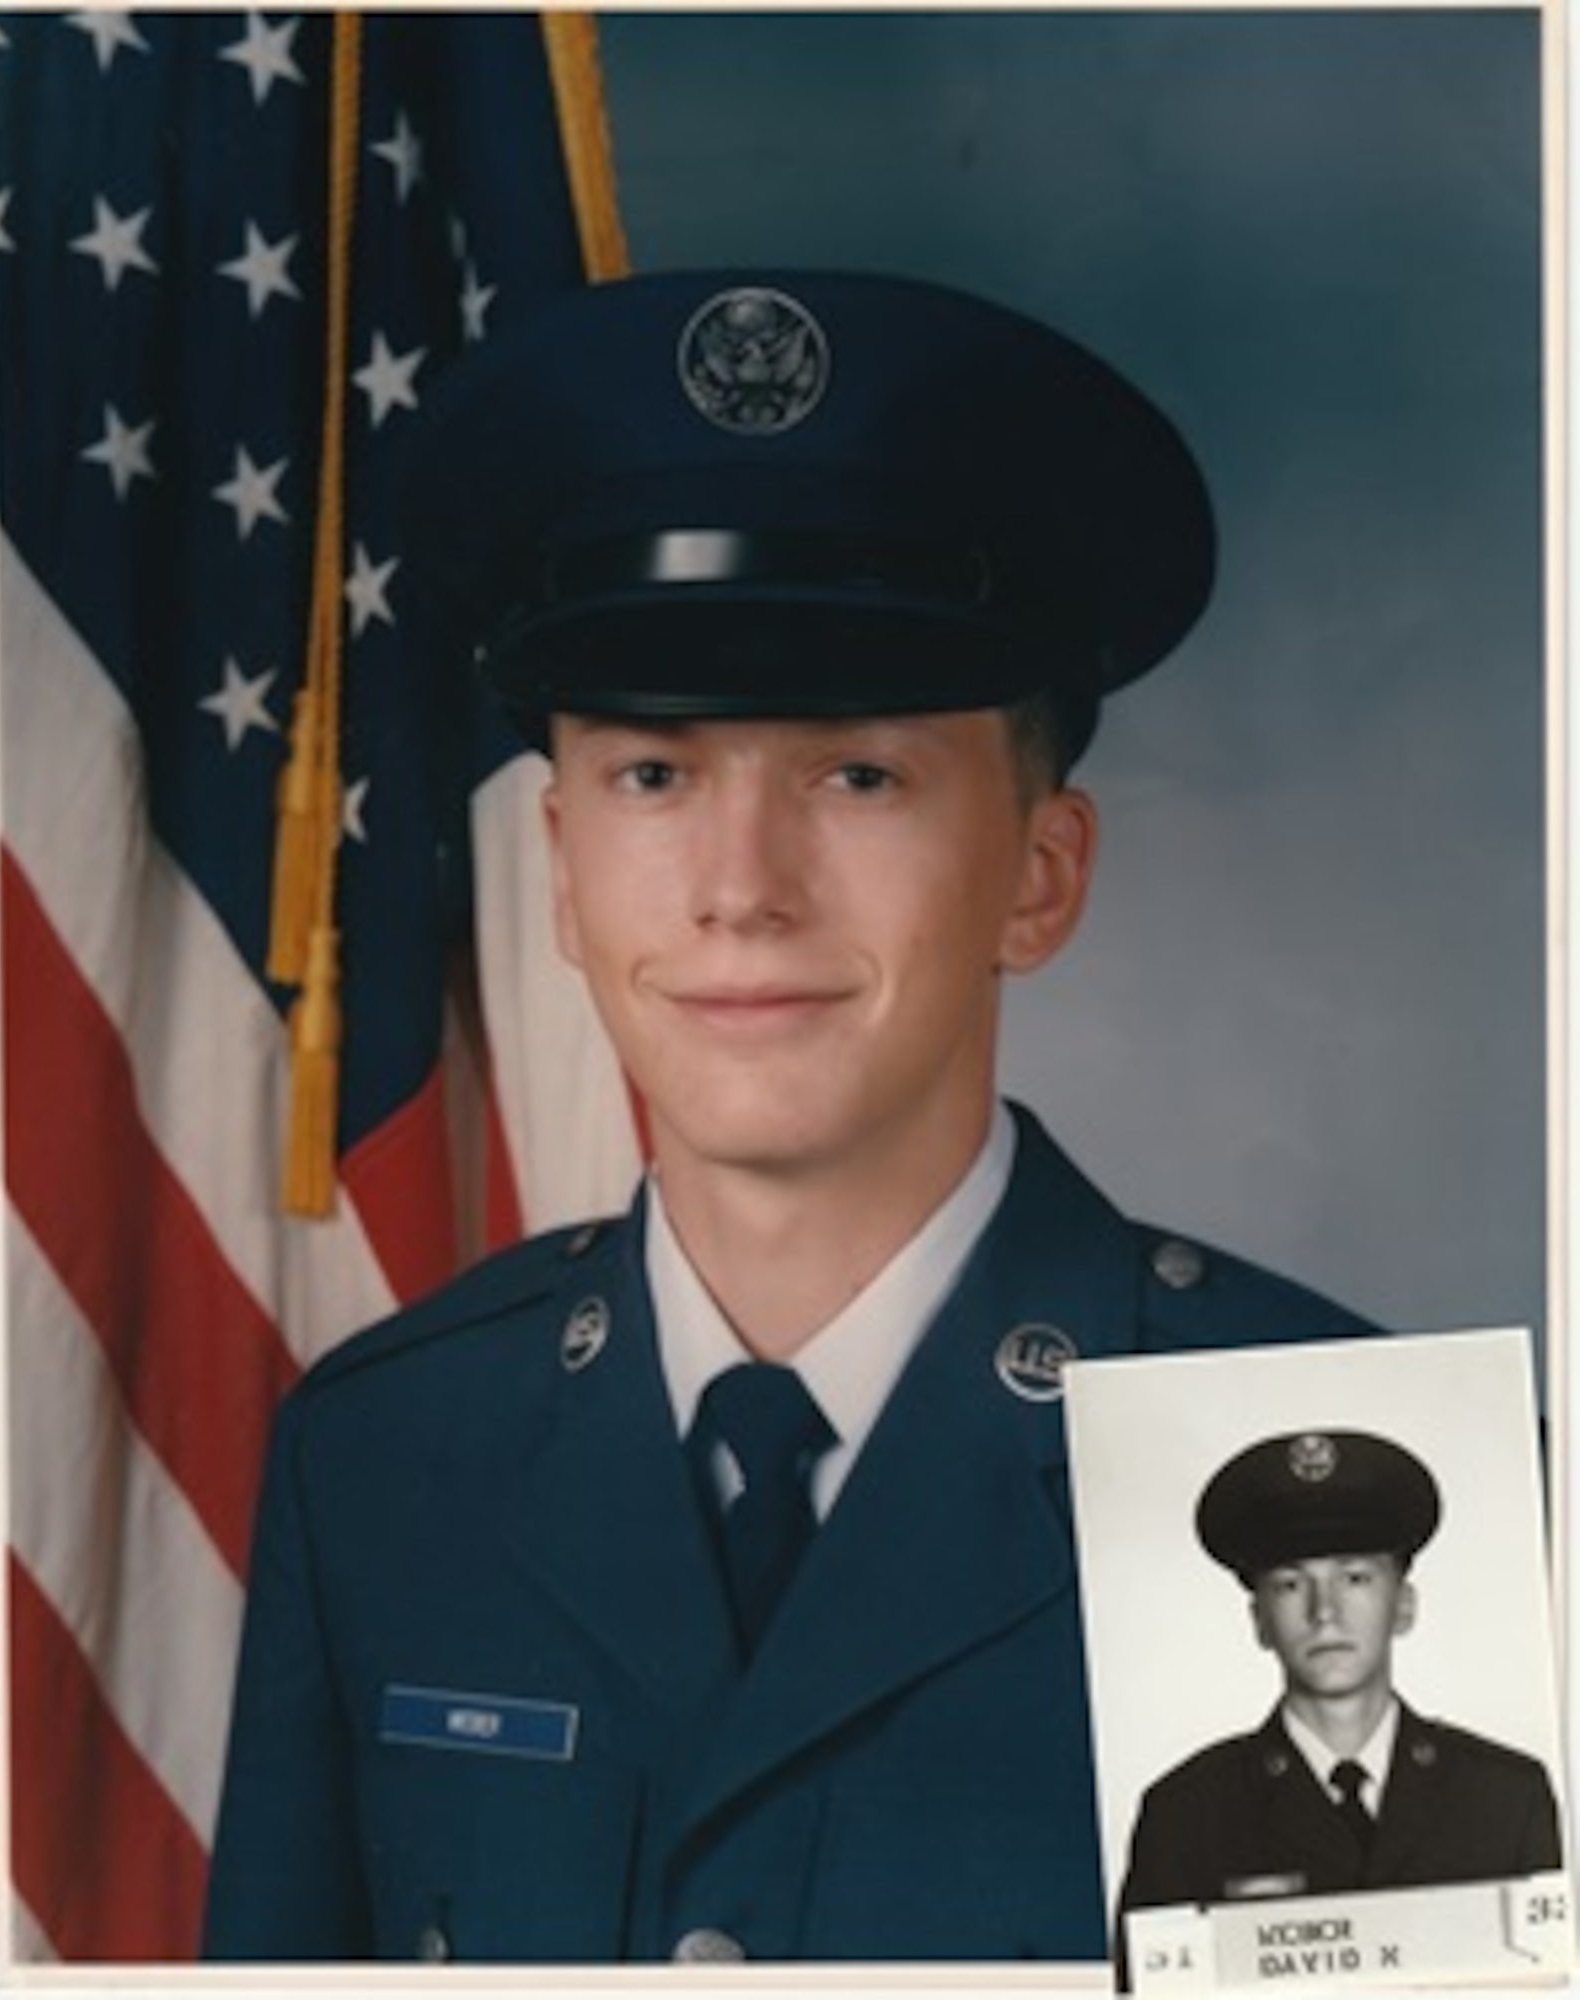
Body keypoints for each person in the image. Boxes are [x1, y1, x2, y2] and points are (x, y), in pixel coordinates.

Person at [202, 270, 1378, 1965]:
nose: (737, 892)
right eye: (654, 776)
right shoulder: (383, 1458)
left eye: (857, 775)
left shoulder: (1314, 1476)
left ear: (1035, 880)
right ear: (557, 868)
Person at [1115, 1426, 1563, 1964]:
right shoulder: (1187, 1816)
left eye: (1354, 1578)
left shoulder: (1506, 1798)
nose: (1324, 1611)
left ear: (1403, 1606)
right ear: (1259, 1621)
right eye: (1289, 1584)